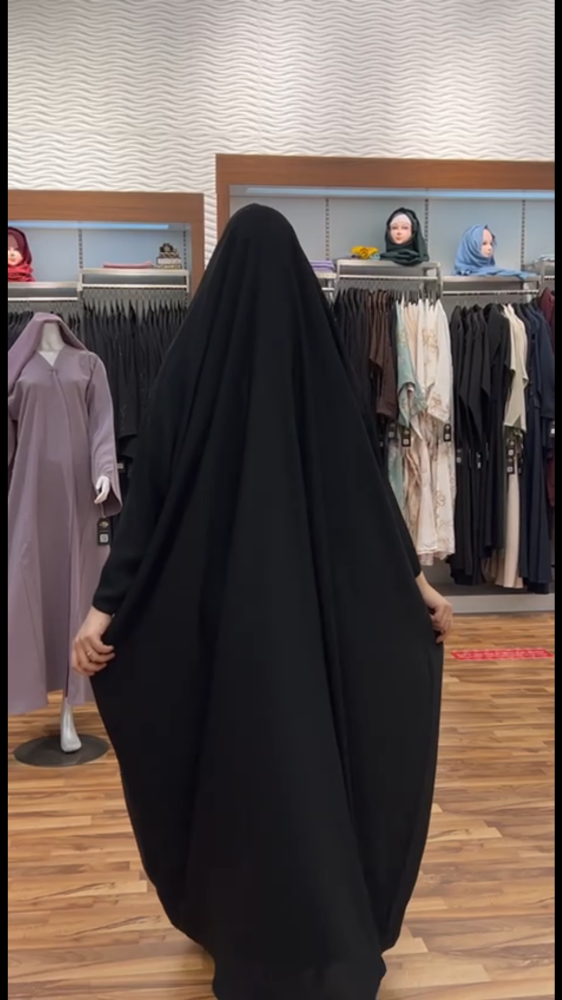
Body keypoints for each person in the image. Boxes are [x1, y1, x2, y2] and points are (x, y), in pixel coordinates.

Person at [73, 205, 452, 1000]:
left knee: (233, 768)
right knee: (311, 766)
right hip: (312, 630)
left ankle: (235, 921)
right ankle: (321, 921)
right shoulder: (321, 372)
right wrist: (416, 585)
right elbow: (367, 498)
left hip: (220, 630)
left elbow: (151, 499)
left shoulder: (191, 367)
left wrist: (105, 610)